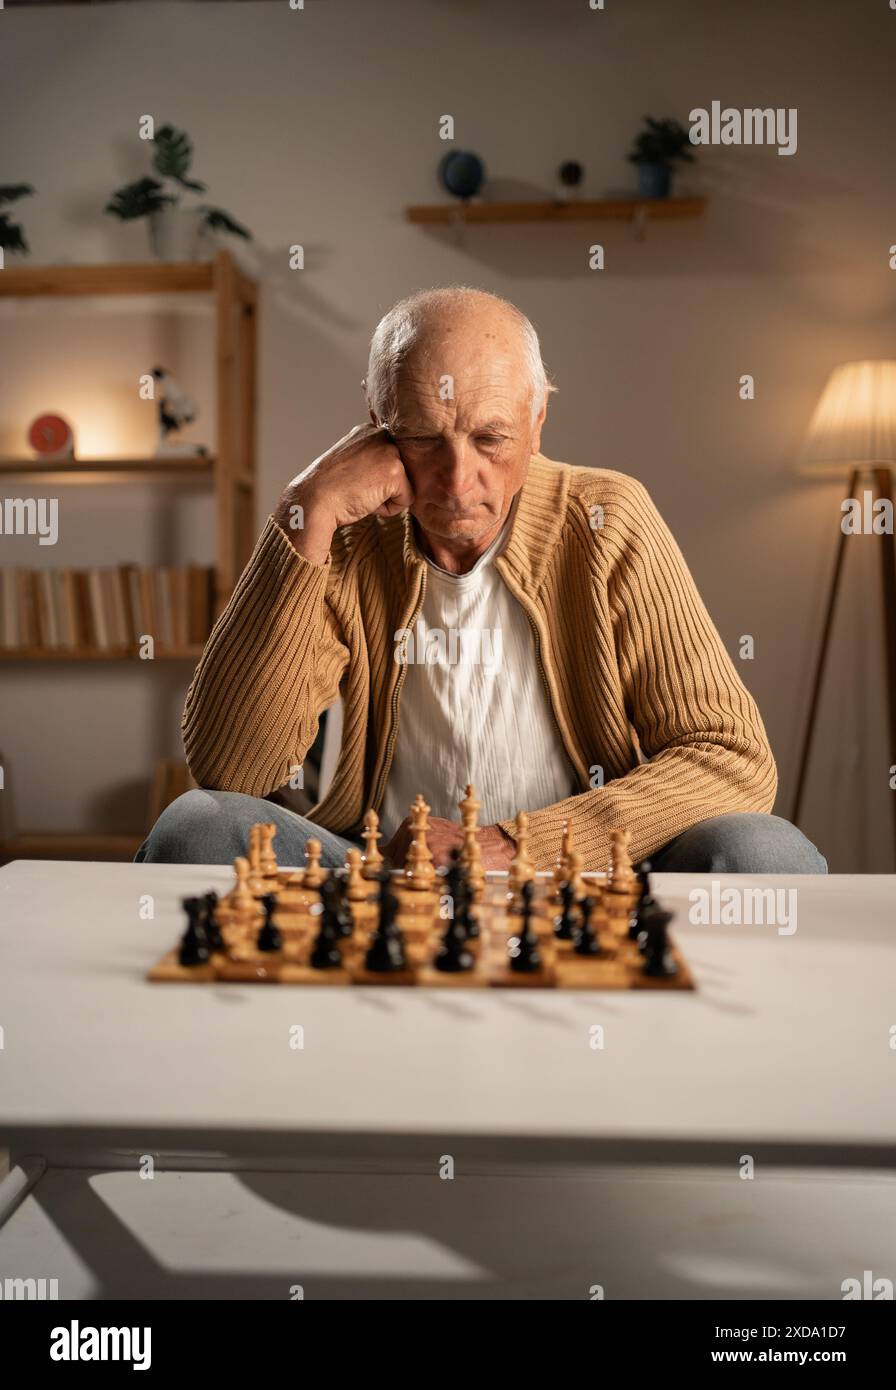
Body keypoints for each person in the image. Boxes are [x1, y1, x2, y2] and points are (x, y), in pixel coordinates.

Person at [137, 287, 825, 875]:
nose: (459, 480)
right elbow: (233, 773)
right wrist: (304, 512)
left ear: (537, 420)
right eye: (423, 438)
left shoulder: (607, 517)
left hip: (586, 873)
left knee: (765, 850)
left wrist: (509, 846)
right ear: (376, 423)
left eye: (490, 439)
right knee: (198, 825)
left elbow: (730, 757)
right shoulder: (338, 531)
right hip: (381, 874)